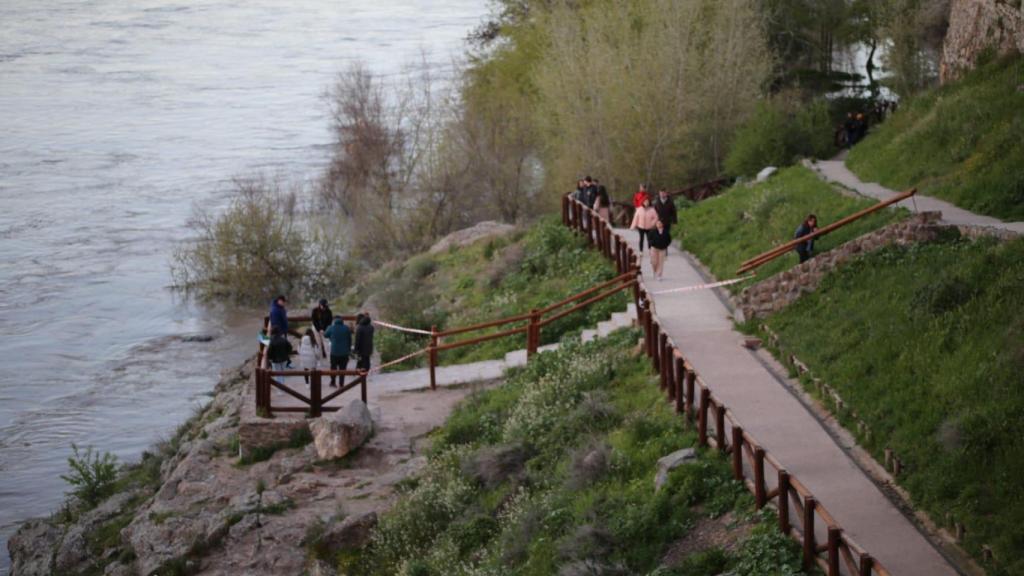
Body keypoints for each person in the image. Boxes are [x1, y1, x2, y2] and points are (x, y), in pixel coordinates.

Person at [324, 315, 352, 387]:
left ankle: (333, 382)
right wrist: (348, 350)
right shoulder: (346, 328)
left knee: (333, 368)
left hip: (334, 352)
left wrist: (330, 334)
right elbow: (349, 340)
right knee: (342, 369)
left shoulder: (331, 328)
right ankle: (341, 384)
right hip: (344, 353)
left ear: (334, 321)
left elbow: (325, 335)